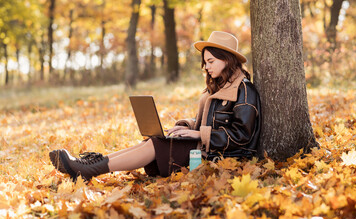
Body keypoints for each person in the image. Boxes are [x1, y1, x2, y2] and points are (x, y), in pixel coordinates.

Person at [49, 31, 261, 181]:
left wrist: (198, 135)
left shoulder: (244, 90)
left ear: (227, 59)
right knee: (156, 139)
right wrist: (187, 127)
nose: (206, 67)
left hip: (222, 159)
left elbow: (241, 135)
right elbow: (210, 121)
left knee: (157, 145)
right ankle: (89, 165)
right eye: (205, 62)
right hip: (205, 150)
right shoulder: (219, 87)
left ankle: (90, 169)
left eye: (211, 61)